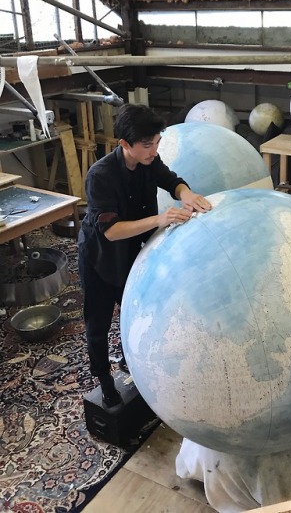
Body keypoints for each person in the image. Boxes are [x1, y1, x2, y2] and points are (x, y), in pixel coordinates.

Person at [78, 104, 212, 412]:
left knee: (133, 310)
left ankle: (130, 359)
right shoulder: (100, 176)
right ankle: (104, 380)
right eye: (148, 144)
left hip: (132, 254)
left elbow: (171, 179)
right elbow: (110, 231)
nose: (154, 149)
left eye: (157, 141)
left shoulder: (149, 161)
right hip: (100, 258)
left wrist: (186, 193)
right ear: (125, 144)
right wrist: (159, 220)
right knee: (97, 324)